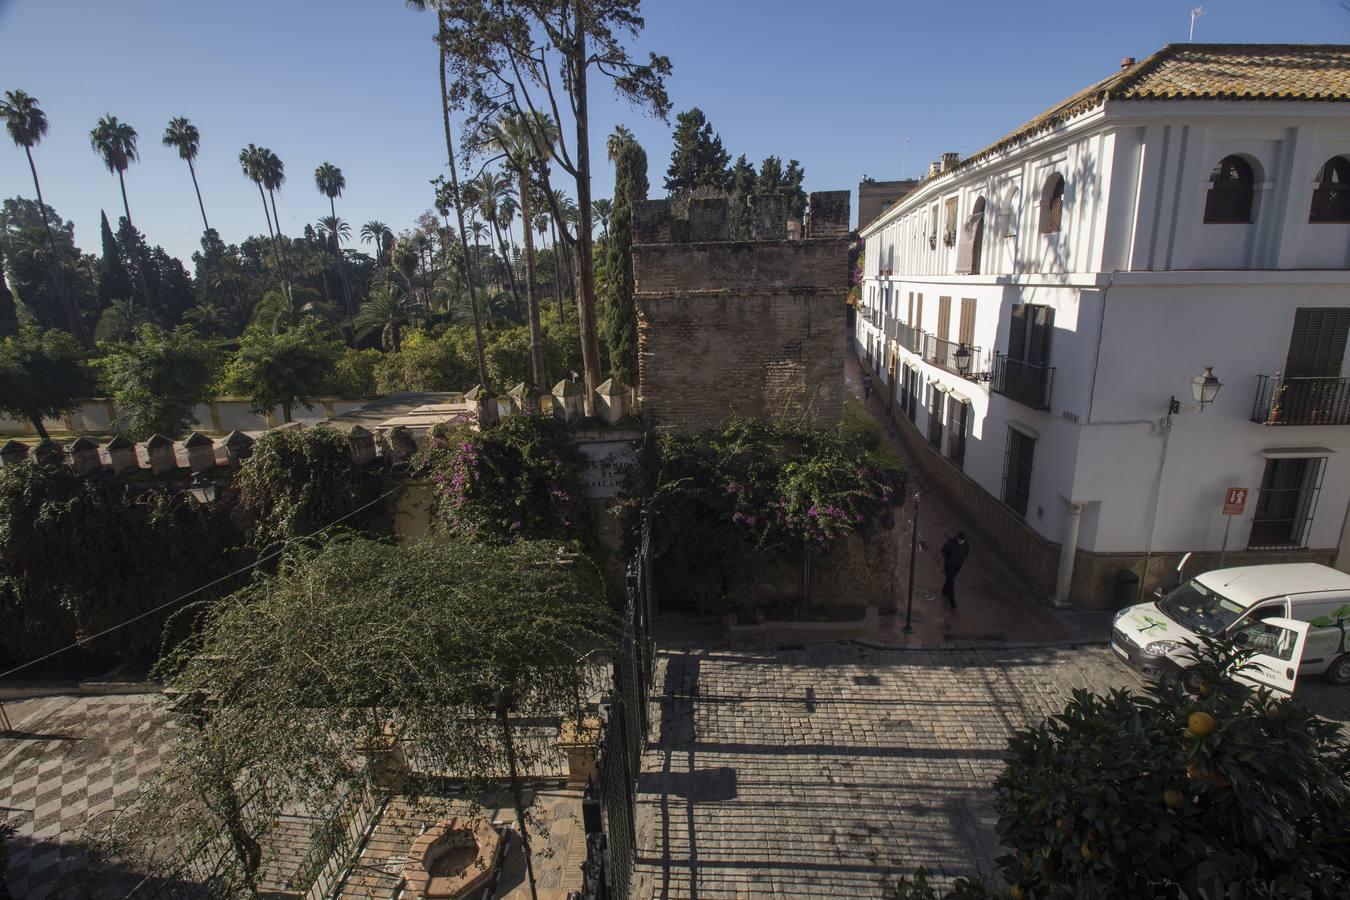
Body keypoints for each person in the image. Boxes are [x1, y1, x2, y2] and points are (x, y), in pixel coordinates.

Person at [940, 531, 970, 609]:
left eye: (963, 540)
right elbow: (943, 551)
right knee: (951, 582)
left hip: (958, 566)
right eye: (961, 539)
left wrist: (962, 559)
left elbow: (967, 551)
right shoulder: (950, 543)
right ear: (957, 538)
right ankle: (952, 603)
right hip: (949, 566)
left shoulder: (965, 543)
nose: (962, 541)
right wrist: (949, 559)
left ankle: (944, 590)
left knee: (951, 579)